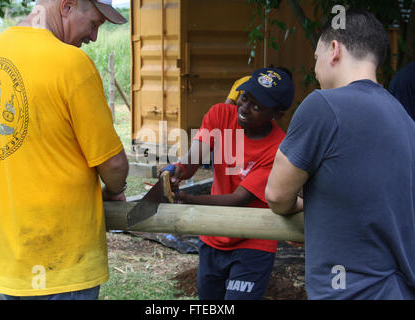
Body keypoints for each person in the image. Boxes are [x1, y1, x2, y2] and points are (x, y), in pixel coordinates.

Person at [0, 0, 129, 300]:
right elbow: (114, 165)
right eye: (93, 24)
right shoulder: (71, 64)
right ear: (66, 6)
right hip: (61, 266)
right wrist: (116, 189)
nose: (93, 37)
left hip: (1, 267)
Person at [265, 9, 415, 299]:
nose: (315, 69)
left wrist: (300, 206)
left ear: (334, 50)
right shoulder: (404, 118)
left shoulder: (322, 106)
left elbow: (276, 195)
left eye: (316, 58)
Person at [163, 67, 295, 300]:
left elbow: (239, 199)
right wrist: (177, 170)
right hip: (213, 234)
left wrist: (189, 200)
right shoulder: (221, 115)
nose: (244, 109)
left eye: (257, 107)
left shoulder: (279, 148)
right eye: (245, 98)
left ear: (276, 115)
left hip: (254, 240)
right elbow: (194, 159)